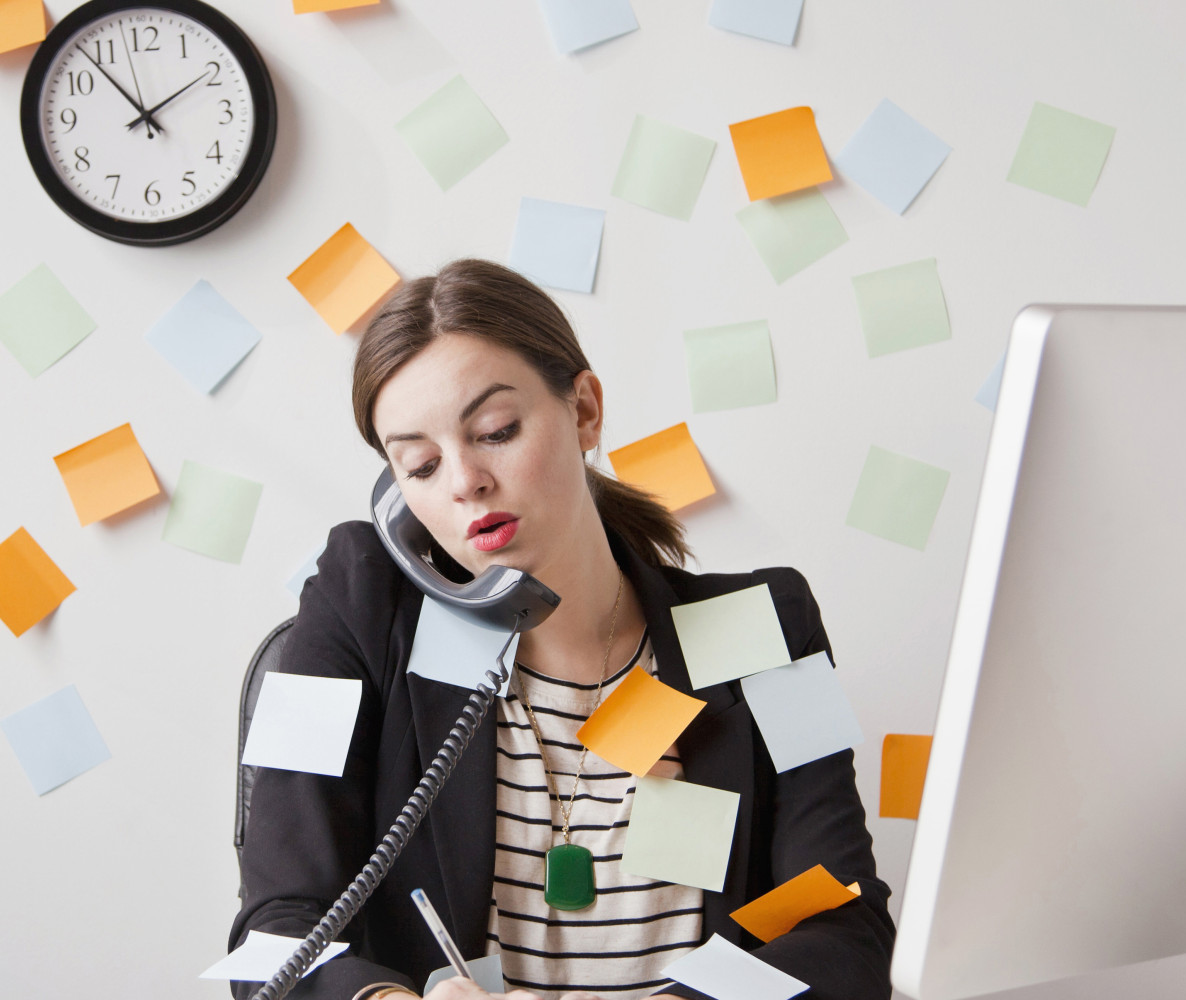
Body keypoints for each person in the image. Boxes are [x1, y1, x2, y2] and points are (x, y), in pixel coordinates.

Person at [230, 259, 893, 1000]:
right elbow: (271, 933)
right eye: (419, 465)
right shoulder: (356, 603)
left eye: (496, 430)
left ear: (584, 411)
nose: (463, 482)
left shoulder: (763, 626)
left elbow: (846, 922)